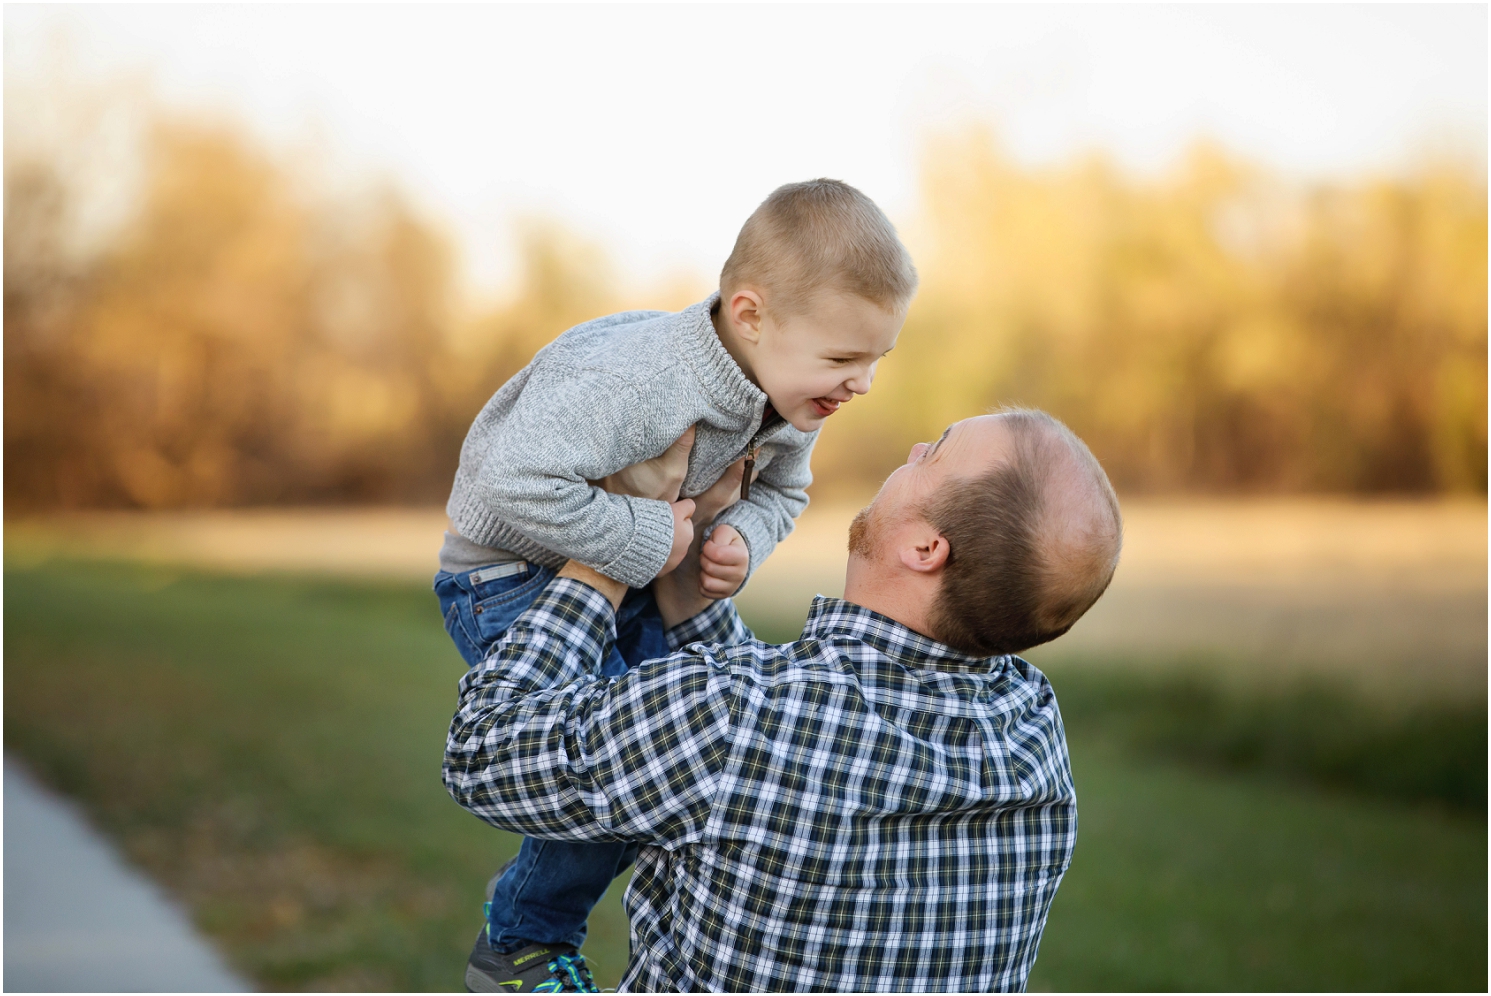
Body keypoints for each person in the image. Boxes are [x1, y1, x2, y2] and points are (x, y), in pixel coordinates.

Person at [444, 408, 1123, 993]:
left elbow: (484, 751)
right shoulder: (1031, 732)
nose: (915, 449)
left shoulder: (737, 717)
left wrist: (608, 550)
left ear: (925, 547)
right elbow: (786, 721)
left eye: (937, 452)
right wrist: (691, 586)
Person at [433, 179, 918, 991]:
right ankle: (521, 939)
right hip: (508, 575)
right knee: (621, 773)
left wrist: (737, 540)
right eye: (843, 359)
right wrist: (648, 538)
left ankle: (550, 909)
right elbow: (509, 478)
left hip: (620, 582)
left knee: (662, 763)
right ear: (751, 313)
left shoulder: (785, 398)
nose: (861, 382)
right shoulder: (642, 382)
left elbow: (782, 493)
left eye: (876, 359)